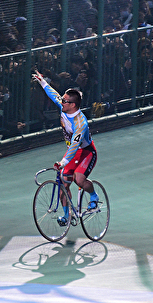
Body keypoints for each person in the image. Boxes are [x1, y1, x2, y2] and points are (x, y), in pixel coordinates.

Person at [32, 69, 99, 226]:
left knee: (79, 179)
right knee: (63, 182)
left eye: (64, 100)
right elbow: (52, 93)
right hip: (73, 153)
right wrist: (42, 81)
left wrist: (62, 162)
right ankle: (67, 215)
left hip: (86, 152)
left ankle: (94, 196)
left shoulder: (80, 123)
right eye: (62, 99)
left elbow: (75, 146)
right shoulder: (64, 107)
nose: (61, 101)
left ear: (73, 105)